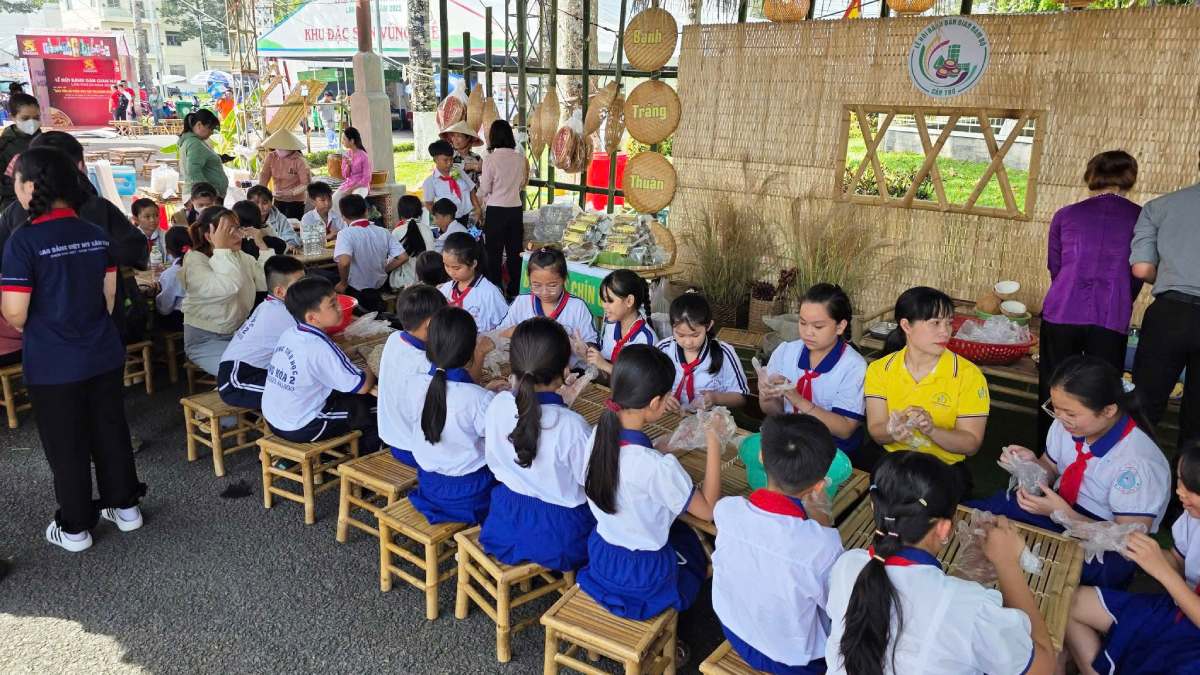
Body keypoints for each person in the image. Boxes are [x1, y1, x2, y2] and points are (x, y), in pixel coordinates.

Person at [0, 146, 145, 553]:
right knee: (110, 429)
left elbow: (15, 314)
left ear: (30, 187)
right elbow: (110, 297)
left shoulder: (22, 242)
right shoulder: (95, 233)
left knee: (66, 443)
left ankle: (76, 527)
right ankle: (126, 508)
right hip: (102, 351)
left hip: (53, 362)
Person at [824, 451, 1056, 675]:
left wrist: (962, 580)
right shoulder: (973, 609)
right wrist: (1007, 563)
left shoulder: (848, 565)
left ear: (874, 506)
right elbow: (1043, 667)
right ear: (944, 528)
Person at [967, 355, 1170, 588]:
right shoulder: (1065, 424)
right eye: (1056, 409)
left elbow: (1129, 540)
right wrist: (1031, 466)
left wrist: (1065, 516)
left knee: (1027, 564)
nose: (1061, 418)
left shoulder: (1138, 464)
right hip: (1058, 510)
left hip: (1103, 545)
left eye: (1071, 413)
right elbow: (1051, 467)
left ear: (1108, 410)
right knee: (983, 518)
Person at [578, 344, 719, 620]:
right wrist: (714, 441)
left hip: (602, 557)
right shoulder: (658, 468)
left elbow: (633, 460)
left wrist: (663, 446)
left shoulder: (598, 435)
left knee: (677, 530)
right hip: (644, 575)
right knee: (696, 548)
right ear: (655, 403)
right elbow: (709, 510)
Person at [712, 414, 841, 674]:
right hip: (793, 661)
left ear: (761, 457)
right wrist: (824, 522)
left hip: (736, 632)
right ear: (818, 486)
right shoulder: (822, 546)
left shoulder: (727, 511)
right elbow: (835, 606)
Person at [1064, 441, 1200, 675]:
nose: (1180, 492)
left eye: (1193, 488)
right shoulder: (1192, 517)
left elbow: (1171, 576)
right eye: (1180, 480)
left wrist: (1163, 572)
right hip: (1176, 611)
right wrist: (1136, 548)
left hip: (1191, 628)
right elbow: (1178, 561)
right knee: (1069, 601)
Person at [0, 131, 148, 343]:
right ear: (78, 167)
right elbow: (135, 253)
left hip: (48, 339)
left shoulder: (17, 221)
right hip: (101, 334)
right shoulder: (97, 214)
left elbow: (14, 308)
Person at [1041, 150, 1142, 449]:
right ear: (1130, 179)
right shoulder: (1141, 218)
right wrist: (1123, 296)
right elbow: (1138, 272)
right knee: (1102, 393)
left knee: (1054, 385)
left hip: (1062, 309)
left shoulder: (1066, 214)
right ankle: (1096, 454)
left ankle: (1048, 453)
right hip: (1111, 314)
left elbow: (1055, 266)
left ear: (1091, 176)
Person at [479, 317, 595, 571]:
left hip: (505, 521)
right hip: (561, 535)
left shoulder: (496, 404)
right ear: (566, 371)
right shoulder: (572, 426)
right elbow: (593, 485)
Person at [863, 286, 989, 500]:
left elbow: (971, 444)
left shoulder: (968, 375)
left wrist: (931, 430)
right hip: (895, 459)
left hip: (943, 468)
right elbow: (876, 431)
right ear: (906, 326)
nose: (945, 331)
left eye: (949, 322)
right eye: (935, 323)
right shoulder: (880, 370)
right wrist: (892, 431)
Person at [398, 306, 497, 525]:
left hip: (429, 486)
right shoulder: (479, 399)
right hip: (471, 493)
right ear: (471, 350)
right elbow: (498, 437)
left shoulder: (413, 384)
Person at [1130, 150, 1200, 452]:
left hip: (1170, 313)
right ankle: (1189, 494)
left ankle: (1129, 484)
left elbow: (1142, 269)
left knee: (1144, 407)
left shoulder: (1159, 207)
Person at [261, 276, 379, 451]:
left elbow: (316, 363)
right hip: (302, 425)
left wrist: (345, 355)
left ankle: (302, 458)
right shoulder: (319, 346)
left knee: (346, 395)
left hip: (274, 418)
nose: (340, 307)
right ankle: (359, 454)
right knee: (369, 406)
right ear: (312, 317)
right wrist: (371, 363)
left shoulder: (291, 333)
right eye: (333, 304)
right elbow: (361, 385)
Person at [760, 283, 867, 463]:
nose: (808, 332)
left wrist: (798, 400)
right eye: (802, 323)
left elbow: (845, 429)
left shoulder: (853, 366)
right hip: (789, 441)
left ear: (840, 326)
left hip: (831, 450)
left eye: (818, 326)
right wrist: (766, 396)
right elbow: (775, 412)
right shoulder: (785, 352)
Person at [180, 206, 270, 376]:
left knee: (271, 361)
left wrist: (261, 245)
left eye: (237, 228)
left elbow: (265, 282)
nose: (239, 235)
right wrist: (221, 249)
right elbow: (227, 288)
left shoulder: (237, 256)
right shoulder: (195, 261)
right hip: (205, 340)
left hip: (239, 333)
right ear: (209, 236)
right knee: (242, 371)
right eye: (229, 231)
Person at [216, 255, 305, 410]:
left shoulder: (270, 305)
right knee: (304, 392)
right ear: (280, 292)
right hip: (236, 381)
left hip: (252, 372)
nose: (307, 289)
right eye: (299, 285)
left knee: (304, 386)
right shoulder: (281, 313)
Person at [378, 285, 447, 468]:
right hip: (418, 451)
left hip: (393, 441)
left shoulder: (394, 339)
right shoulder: (427, 363)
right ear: (430, 323)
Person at [497, 248, 597, 367]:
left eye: (552, 285)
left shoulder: (577, 307)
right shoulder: (522, 302)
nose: (544, 292)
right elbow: (500, 334)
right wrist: (521, 331)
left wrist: (580, 347)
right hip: (527, 370)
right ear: (529, 280)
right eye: (536, 285)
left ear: (564, 279)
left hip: (569, 373)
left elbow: (593, 346)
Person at [656, 291, 750, 412]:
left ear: (709, 326)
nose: (688, 342)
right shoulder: (663, 350)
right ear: (672, 327)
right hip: (668, 418)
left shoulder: (725, 353)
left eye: (695, 335)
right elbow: (646, 385)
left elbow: (741, 397)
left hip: (708, 424)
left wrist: (716, 398)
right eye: (680, 335)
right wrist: (663, 397)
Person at [477, 120, 528, 295]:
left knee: (494, 253)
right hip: (515, 209)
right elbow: (521, 184)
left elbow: (485, 188)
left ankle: (495, 289)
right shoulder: (520, 158)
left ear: (492, 137)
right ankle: (515, 290)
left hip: (496, 210)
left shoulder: (490, 159)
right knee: (515, 252)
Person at [333, 194, 404, 314]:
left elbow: (344, 262)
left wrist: (343, 283)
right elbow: (403, 257)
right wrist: (384, 269)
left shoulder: (345, 234)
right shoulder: (383, 232)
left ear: (343, 217)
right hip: (379, 287)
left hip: (356, 291)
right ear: (366, 211)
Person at [586, 269, 656, 375]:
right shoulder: (610, 325)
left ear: (629, 301)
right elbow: (602, 358)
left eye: (610, 301)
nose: (604, 306)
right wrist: (584, 351)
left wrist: (605, 365)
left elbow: (639, 381)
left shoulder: (646, 339)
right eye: (603, 301)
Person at [437, 232, 507, 332]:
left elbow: (504, 327)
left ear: (473, 264)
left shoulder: (489, 293)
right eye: (446, 265)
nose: (450, 272)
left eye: (456, 268)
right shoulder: (445, 289)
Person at [0, 93, 41, 210]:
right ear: (12, 117)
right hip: (15, 205)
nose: (32, 122)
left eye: (36, 118)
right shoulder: (4, 145)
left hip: (46, 203)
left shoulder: (46, 141)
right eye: (25, 118)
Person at [422, 140, 478, 227]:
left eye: (451, 159)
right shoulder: (431, 182)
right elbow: (428, 204)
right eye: (445, 160)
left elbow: (471, 189)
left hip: (466, 216)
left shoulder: (458, 172)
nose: (449, 163)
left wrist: (478, 209)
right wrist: (441, 219)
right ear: (435, 159)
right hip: (448, 222)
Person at [257, 130, 311, 220]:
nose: (278, 150)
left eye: (282, 148)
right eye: (277, 148)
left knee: (292, 224)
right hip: (277, 198)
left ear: (292, 148)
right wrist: (261, 191)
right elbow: (264, 174)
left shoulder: (299, 160)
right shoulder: (271, 157)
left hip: (296, 200)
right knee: (276, 223)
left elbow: (305, 183)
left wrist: (290, 193)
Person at [179, 109, 230, 199]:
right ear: (199, 125)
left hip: (202, 197)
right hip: (203, 199)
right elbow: (193, 173)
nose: (212, 132)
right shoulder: (194, 143)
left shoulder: (194, 141)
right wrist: (210, 194)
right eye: (210, 128)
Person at [388, 195, 433, 290]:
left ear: (400, 213)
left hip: (405, 282)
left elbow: (393, 260)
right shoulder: (427, 230)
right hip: (427, 280)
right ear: (420, 211)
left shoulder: (398, 231)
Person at [155, 227, 190, 331]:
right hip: (204, 316)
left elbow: (164, 309)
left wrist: (155, 294)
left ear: (168, 250)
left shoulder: (171, 274)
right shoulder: (201, 264)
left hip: (182, 321)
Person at [247, 185, 302, 252]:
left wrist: (290, 245)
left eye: (264, 203)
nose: (260, 207)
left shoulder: (279, 218)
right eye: (256, 203)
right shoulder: (244, 217)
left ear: (272, 202)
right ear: (248, 203)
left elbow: (292, 237)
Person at [333, 126, 371, 219]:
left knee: (354, 200)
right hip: (348, 184)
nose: (342, 141)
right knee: (334, 199)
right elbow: (345, 175)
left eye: (344, 139)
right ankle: (342, 224)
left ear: (352, 141)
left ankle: (356, 224)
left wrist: (350, 190)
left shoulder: (363, 156)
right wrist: (348, 165)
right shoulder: (346, 154)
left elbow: (366, 178)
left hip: (361, 186)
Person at [440, 120, 483, 186]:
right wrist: (471, 166)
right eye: (453, 136)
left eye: (459, 136)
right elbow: (447, 172)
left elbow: (482, 179)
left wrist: (481, 168)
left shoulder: (476, 157)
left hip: (473, 195)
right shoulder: (448, 155)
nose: (455, 139)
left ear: (468, 138)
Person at [131, 197, 170, 266]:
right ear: (136, 219)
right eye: (147, 216)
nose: (152, 220)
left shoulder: (167, 236)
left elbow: (172, 260)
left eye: (156, 215)